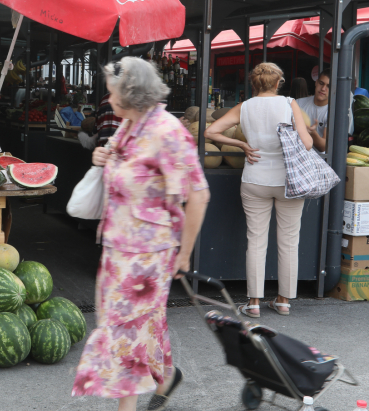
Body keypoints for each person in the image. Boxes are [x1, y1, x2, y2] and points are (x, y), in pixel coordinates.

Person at [73, 57, 210, 411]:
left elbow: (199, 194)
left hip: (148, 253)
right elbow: (125, 168)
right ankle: (165, 378)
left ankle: (126, 408)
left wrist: (184, 254)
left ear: (131, 94)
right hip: (118, 246)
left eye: (112, 93)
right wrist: (104, 157)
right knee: (139, 322)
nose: (108, 99)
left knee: (125, 329)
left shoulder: (168, 131)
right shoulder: (129, 125)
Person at [205, 62, 313, 318]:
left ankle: (253, 303)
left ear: (253, 84)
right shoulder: (289, 104)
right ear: (278, 83)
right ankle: (283, 301)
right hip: (289, 181)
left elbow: (211, 131)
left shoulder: (245, 107)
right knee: (289, 241)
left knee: (256, 240)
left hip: (254, 179)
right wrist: (305, 133)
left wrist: (241, 145)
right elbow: (307, 144)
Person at [297, 68, 330, 153]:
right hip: (298, 158)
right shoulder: (298, 103)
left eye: (328, 86)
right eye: (321, 83)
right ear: (316, 82)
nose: (323, 88)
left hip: (320, 162)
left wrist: (312, 133)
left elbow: (323, 146)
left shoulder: (333, 111)